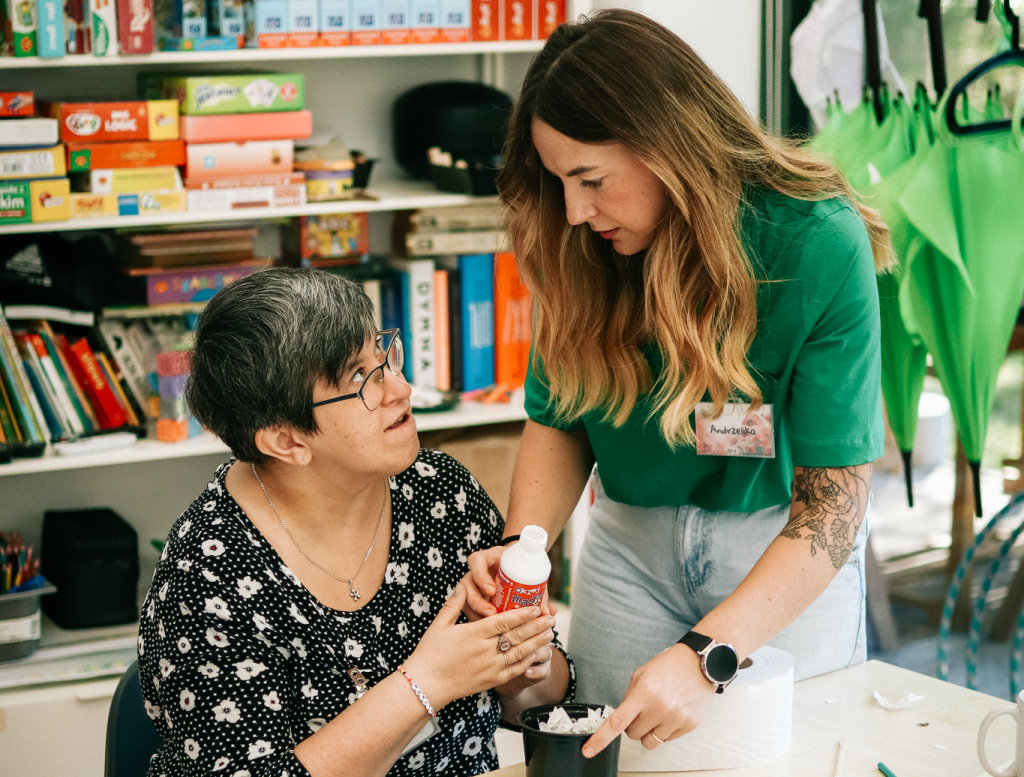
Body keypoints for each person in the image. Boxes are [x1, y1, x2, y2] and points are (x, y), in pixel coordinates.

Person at [464, 8, 893, 759]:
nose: (573, 210)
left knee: (790, 761)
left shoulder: (817, 240)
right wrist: (522, 551)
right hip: (628, 544)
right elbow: (561, 417)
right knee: (614, 757)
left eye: (590, 179)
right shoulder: (579, 246)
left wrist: (709, 654)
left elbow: (833, 508)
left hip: (779, 551)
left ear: (668, 146)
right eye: (560, 181)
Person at [138, 268, 572, 777]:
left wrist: (522, 659)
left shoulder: (439, 491)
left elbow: (544, 704)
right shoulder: (206, 578)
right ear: (286, 441)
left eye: (385, 357)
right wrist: (426, 683)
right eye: (361, 381)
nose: (403, 389)